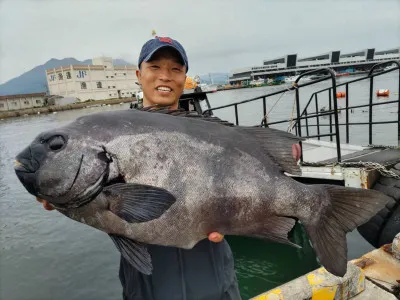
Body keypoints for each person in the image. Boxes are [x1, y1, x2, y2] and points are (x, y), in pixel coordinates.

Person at [37, 36, 242, 300]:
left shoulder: (213, 135)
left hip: (216, 281)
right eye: (155, 67)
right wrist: (59, 189)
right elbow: (93, 193)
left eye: (175, 69)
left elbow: (244, 183)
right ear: (139, 74)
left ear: (185, 77)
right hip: (147, 289)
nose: (165, 76)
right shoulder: (108, 137)